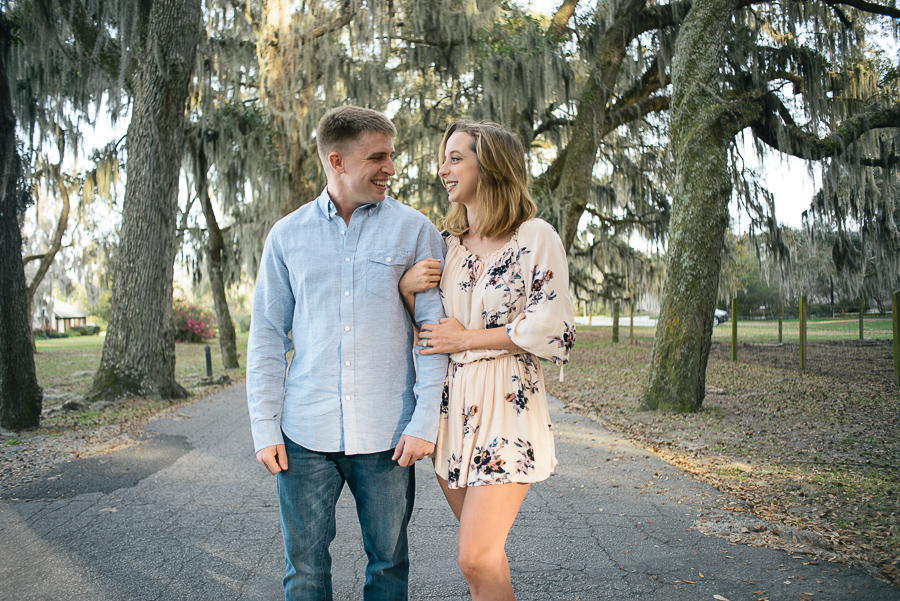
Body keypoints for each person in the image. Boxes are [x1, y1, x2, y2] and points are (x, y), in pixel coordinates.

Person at [246, 105, 449, 601]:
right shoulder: (287, 236)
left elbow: (435, 331)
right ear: (336, 161)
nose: (391, 169)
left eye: (392, 155)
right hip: (303, 434)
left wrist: (425, 420)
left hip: (388, 434)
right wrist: (264, 426)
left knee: (389, 565)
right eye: (377, 157)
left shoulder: (416, 231)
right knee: (306, 570)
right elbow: (269, 334)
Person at [399, 120, 576, 600]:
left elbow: (550, 325)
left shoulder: (534, 236)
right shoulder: (446, 244)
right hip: (453, 409)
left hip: (507, 403)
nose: (443, 169)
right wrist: (407, 289)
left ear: (491, 164)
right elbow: (432, 330)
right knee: (486, 558)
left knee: (474, 555)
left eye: (456, 158)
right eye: (443, 158)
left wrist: (469, 339)